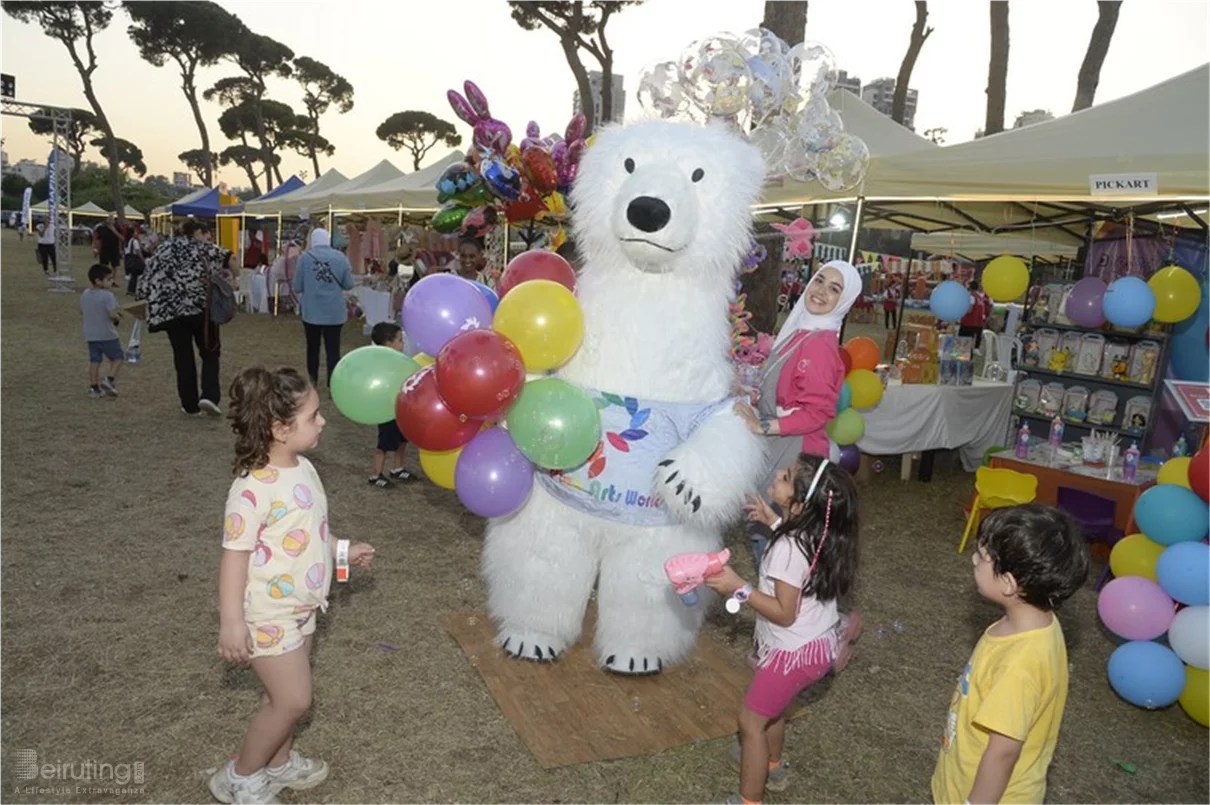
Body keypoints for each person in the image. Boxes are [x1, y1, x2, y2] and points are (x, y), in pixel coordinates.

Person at [211, 366, 375, 805]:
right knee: (294, 700)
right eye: (313, 416)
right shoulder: (251, 489)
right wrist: (231, 622)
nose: (322, 422)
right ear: (280, 428)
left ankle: (278, 764)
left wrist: (341, 551)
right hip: (267, 615)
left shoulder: (303, 468)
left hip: (302, 609)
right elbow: (235, 556)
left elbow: (309, 534)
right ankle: (241, 775)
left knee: (283, 697)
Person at [704, 454, 862, 805]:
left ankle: (749, 800)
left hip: (792, 652)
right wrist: (774, 521)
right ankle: (773, 767)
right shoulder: (818, 534)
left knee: (750, 722)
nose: (778, 473)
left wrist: (738, 587)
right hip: (814, 648)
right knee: (772, 707)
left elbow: (783, 613)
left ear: (801, 502)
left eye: (787, 476)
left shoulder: (789, 549)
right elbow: (797, 557)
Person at [932, 504, 1089, 805]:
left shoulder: (1019, 665)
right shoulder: (1039, 623)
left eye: (981, 557)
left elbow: (1003, 752)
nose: (973, 561)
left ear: (1008, 583)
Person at [735, 259, 862, 569]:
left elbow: (817, 412)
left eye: (835, 289)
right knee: (769, 535)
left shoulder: (819, 344)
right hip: (781, 447)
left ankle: (784, 612)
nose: (821, 291)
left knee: (776, 543)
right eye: (819, 280)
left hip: (795, 454)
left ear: (843, 302)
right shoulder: (803, 329)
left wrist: (761, 424)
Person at [136, 219, 236, 416]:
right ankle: (209, 395)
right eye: (206, 233)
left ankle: (189, 405)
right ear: (197, 231)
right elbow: (230, 259)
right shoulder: (203, 248)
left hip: (171, 312)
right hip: (201, 310)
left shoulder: (163, 249)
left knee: (182, 358)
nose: (208, 237)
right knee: (210, 352)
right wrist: (236, 277)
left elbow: (146, 278)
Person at [293, 228, 354, 387]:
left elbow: (297, 286)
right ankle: (332, 382)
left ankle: (312, 381)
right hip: (334, 312)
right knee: (333, 349)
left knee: (312, 347)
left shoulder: (305, 258)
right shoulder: (340, 257)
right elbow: (349, 284)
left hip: (312, 312)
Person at [367, 322, 415, 487]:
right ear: (388, 343)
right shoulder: (380, 362)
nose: (403, 344)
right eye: (400, 340)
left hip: (400, 408)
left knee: (403, 439)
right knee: (384, 443)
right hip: (387, 410)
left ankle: (397, 468)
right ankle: (375, 474)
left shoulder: (400, 360)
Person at [80, 264, 123, 399]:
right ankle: (109, 380)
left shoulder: (85, 294)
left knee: (94, 361)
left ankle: (94, 388)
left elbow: (82, 311)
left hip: (91, 334)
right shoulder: (108, 296)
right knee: (118, 358)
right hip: (107, 334)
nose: (111, 282)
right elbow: (112, 314)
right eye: (109, 279)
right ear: (98, 281)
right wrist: (117, 318)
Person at [959, 280, 992, 349]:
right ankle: (969, 356)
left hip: (968, 324)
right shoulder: (980, 297)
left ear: (970, 288)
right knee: (970, 344)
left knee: (962, 344)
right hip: (977, 324)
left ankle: (961, 358)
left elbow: (969, 310)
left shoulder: (971, 297)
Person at [95, 213, 124, 284]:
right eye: (109, 219)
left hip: (114, 249)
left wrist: (114, 230)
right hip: (104, 249)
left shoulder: (118, 228)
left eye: (112, 219)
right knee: (103, 266)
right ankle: (104, 279)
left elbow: (122, 238)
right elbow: (98, 240)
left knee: (115, 266)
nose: (111, 221)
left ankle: (113, 280)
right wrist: (97, 249)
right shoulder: (101, 228)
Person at [123, 227, 145, 296]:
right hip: (135, 260)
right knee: (137, 275)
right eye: (135, 232)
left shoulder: (127, 241)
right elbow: (138, 251)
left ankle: (130, 289)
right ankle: (136, 289)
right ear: (132, 233)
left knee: (133, 275)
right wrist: (143, 260)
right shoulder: (134, 241)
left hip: (128, 259)